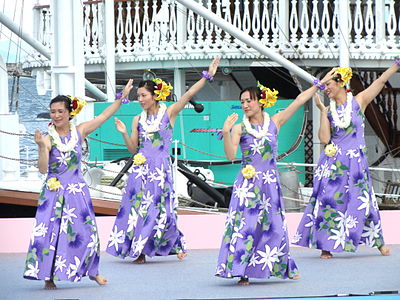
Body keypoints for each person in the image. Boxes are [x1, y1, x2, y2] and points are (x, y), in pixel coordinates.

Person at [106, 57, 220, 263]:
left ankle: (174, 244)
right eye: (138, 96)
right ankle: (138, 250)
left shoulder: (168, 113)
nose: (140, 99)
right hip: (140, 170)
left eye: (143, 95)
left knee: (162, 209)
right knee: (136, 208)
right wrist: (123, 133)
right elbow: (133, 148)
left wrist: (207, 76)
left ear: (154, 96)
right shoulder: (136, 119)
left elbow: (188, 94)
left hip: (160, 169)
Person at [23, 80, 134, 289]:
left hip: (77, 191)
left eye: (60, 111)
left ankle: (93, 272)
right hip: (54, 193)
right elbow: (43, 168)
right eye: (53, 112)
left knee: (87, 233)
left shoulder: (80, 131)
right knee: (52, 233)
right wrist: (39, 147)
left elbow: (103, 116)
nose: (56, 115)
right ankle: (49, 277)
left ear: (69, 112)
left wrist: (122, 97)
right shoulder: (48, 139)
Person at [215, 81, 320, 285]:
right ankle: (242, 271)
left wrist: (319, 84)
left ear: (261, 102)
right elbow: (229, 155)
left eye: (249, 100)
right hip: (248, 185)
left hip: (270, 183)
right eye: (242, 101)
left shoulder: (274, 122)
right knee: (247, 227)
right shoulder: (239, 128)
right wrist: (226, 131)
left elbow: (299, 101)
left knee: (275, 227)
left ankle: (283, 266)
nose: (245, 105)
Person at [293, 61, 400, 258]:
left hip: (356, 162)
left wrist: (396, 65)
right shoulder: (329, 110)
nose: (326, 89)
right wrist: (323, 111)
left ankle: (379, 243)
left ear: (341, 83)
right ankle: (326, 246)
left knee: (364, 201)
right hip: (334, 163)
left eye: (329, 85)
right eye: (324, 86)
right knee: (329, 201)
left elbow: (382, 80)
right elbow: (324, 139)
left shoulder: (359, 101)